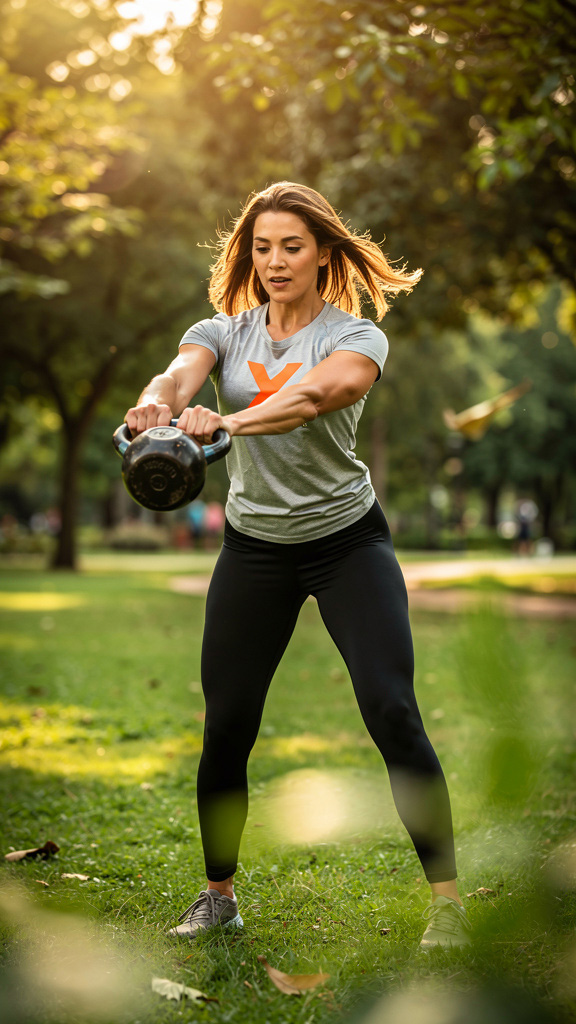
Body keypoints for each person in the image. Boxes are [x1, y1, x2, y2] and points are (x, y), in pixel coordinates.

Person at [124, 181, 471, 949]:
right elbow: (177, 377)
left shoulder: (356, 336)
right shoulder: (223, 331)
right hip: (256, 549)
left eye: (292, 246)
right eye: (262, 247)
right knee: (228, 726)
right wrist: (155, 405)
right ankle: (219, 897)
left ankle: (447, 903)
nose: (275, 261)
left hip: (348, 541)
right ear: (248, 255)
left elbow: (318, 395)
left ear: (323, 254)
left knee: (392, 710)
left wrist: (228, 421)